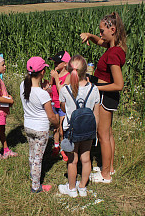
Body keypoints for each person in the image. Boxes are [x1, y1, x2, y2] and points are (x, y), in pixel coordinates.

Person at [80, 11, 127, 183]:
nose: (100, 34)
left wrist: (95, 86)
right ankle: (110, 168)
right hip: (107, 95)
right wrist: (89, 35)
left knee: (103, 135)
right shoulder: (113, 46)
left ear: (112, 29)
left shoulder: (113, 53)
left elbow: (119, 84)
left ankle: (105, 175)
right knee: (108, 134)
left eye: (102, 31)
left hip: (106, 96)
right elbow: (99, 41)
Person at [58, 55, 100, 197]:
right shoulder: (94, 89)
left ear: (70, 71)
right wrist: (95, 133)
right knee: (86, 159)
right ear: (85, 71)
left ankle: (71, 189)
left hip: (71, 130)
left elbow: (63, 109)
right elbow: (96, 114)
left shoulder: (65, 90)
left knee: (72, 160)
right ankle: (82, 187)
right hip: (88, 130)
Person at [20, 56, 59, 193]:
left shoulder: (23, 86)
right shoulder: (43, 95)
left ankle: (32, 174)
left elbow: (34, 94)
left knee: (32, 152)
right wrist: (57, 124)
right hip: (40, 129)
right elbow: (51, 116)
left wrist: (44, 89)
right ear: (42, 72)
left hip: (28, 125)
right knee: (38, 158)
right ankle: (36, 186)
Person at [48, 51, 71, 159]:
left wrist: (56, 77)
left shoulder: (68, 76)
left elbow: (62, 90)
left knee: (62, 129)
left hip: (62, 105)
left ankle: (64, 148)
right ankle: (56, 147)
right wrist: (46, 87)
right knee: (55, 127)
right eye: (55, 62)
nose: (55, 64)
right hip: (54, 103)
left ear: (65, 63)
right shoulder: (54, 74)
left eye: (58, 62)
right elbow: (52, 89)